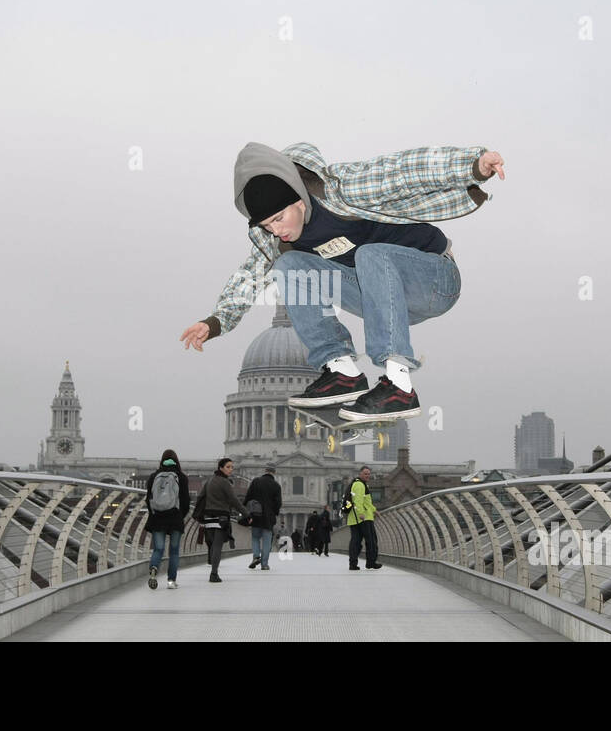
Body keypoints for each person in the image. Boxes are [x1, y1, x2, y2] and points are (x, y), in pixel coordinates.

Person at [180, 142, 504, 421]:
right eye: (267, 225)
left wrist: (472, 165)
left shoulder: (343, 189)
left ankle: (399, 385)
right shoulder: (281, 239)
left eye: (279, 218)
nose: (276, 230)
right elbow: (249, 275)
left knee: (370, 254)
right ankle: (342, 370)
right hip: (380, 298)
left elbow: (404, 171)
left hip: (434, 281)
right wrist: (216, 321)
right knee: (288, 264)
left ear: (298, 200)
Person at [144, 449, 190, 589]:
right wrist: (180, 515)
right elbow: (186, 501)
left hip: (158, 517)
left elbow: (148, 499)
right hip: (175, 517)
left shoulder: (154, 476)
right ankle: (171, 581)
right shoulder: (181, 477)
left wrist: (154, 513)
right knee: (174, 551)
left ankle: (153, 569)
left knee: (158, 549)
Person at [201, 457, 248, 583]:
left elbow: (201, 497)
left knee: (212, 545)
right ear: (220, 468)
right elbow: (234, 500)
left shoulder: (209, 481)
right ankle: (214, 573)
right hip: (221, 517)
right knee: (217, 546)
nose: (231, 469)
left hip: (209, 517)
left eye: (232, 467)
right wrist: (246, 514)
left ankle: (212, 568)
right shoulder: (225, 482)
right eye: (228, 467)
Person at [243, 465, 282, 570]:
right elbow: (278, 503)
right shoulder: (276, 486)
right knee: (267, 540)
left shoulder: (256, 481)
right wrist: (275, 512)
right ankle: (264, 564)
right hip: (269, 517)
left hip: (256, 515)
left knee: (255, 537)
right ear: (274, 473)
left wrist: (245, 510)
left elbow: (248, 496)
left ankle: (256, 556)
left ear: (265, 471)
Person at [347, 466, 381, 570]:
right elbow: (358, 500)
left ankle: (353, 564)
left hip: (355, 518)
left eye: (368, 474)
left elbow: (366, 502)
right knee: (371, 541)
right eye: (365, 473)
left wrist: (374, 510)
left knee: (356, 541)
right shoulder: (359, 485)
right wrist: (361, 513)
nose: (367, 476)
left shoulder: (359, 484)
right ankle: (371, 562)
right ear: (360, 474)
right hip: (364, 518)